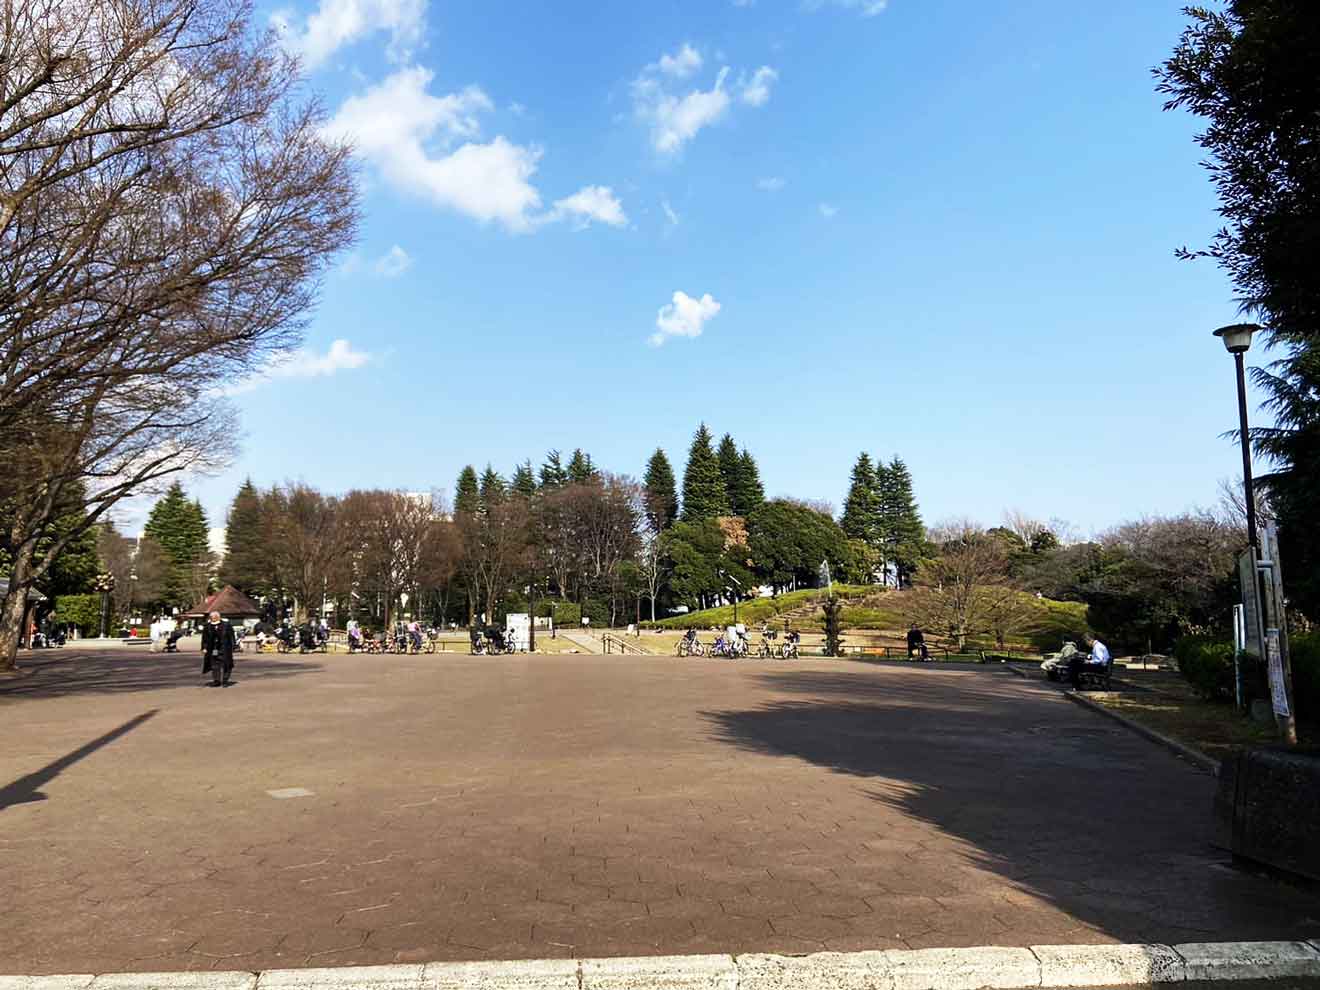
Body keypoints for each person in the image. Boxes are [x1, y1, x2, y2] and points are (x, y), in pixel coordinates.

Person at [201, 610, 237, 687]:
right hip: (213, 648)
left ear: (218, 617)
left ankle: (225, 680)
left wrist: (234, 646)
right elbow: (204, 638)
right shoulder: (207, 626)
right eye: (211, 617)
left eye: (214, 617)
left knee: (226, 664)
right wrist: (204, 647)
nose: (212, 618)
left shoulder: (226, 625)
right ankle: (216, 680)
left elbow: (231, 636)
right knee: (214, 665)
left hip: (225, 648)